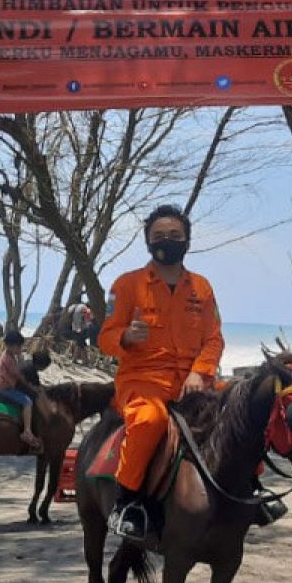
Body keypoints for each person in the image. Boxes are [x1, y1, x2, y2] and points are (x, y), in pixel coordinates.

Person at [99, 204, 228, 539]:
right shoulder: (126, 285)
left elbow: (214, 339)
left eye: (175, 235)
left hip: (195, 382)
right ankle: (127, 502)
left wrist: (200, 372)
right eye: (159, 236)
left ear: (186, 240)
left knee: (244, 409)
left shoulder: (202, 288)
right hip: (143, 381)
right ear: (147, 241)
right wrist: (125, 336)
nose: (167, 241)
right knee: (149, 421)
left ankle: (248, 492)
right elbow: (105, 337)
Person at [0, 330, 41, 449]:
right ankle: (27, 432)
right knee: (27, 401)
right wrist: (29, 386)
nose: (20, 348)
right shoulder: (8, 359)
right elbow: (18, 375)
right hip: (4, 388)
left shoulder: (8, 355)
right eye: (19, 346)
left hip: (4, 385)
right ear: (11, 346)